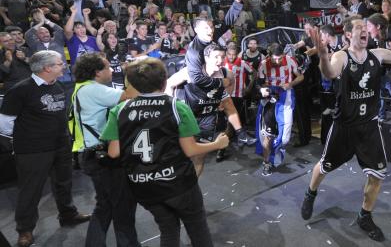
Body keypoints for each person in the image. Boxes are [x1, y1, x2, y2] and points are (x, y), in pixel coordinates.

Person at [300, 15, 391, 242]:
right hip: (344, 126)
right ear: (348, 34)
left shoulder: (377, 55)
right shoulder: (342, 56)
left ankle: (364, 215)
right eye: (358, 28)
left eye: (365, 28)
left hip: (368, 126)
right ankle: (310, 193)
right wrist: (322, 55)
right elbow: (329, 72)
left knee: (377, 175)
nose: (364, 31)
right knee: (325, 166)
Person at [101, 58, 229, 247]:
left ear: (133, 84)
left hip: (143, 186)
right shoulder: (176, 107)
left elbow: (113, 153)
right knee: (198, 229)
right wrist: (218, 144)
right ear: (164, 81)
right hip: (178, 183)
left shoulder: (119, 110)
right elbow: (190, 149)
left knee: (168, 229)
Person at [0, 51, 90, 247]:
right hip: (33, 150)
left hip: (60, 145)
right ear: (47, 68)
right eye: (59, 64)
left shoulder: (56, 85)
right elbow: (5, 124)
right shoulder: (20, 90)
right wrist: (28, 138)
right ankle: (25, 230)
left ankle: (68, 214)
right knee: (30, 191)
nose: (63, 66)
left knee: (64, 183)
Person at [70, 53, 139, 247]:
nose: (112, 70)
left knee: (105, 205)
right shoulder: (93, 90)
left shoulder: (82, 88)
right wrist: (131, 73)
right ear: (97, 72)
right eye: (108, 67)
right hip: (103, 157)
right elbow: (131, 95)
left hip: (91, 155)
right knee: (122, 205)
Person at [166, 43, 255, 171]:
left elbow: (231, 80)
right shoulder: (191, 72)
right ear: (206, 58)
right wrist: (173, 106)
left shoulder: (225, 72)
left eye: (222, 57)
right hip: (188, 115)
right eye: (216, 57)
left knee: (199, 157)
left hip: (207, 116)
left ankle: (241, 133)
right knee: (181, 157)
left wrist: (225, 96)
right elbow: (168, 84)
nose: (220, 60)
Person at [255, 42, 304, 175]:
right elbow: (258, 83)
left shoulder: (290, 61)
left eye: (280, 58)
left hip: (286, 98)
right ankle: (267, 162)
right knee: (267, 134)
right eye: (275, 58)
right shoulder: (263, 64)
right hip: (269, 100)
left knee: (285, 138)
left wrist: (290, 83)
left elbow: (301, 76)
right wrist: (262, 89)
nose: (278, 61)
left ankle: (276, 152)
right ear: (269, 56)